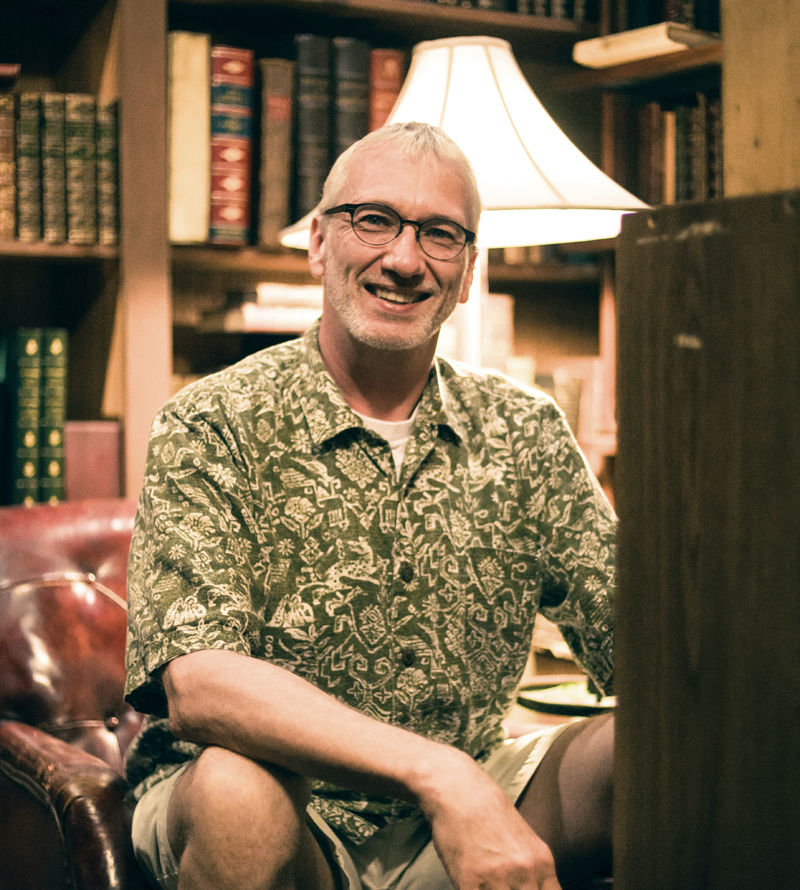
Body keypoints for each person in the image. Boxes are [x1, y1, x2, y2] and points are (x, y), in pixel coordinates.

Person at [123, 121, 616, 890]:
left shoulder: (526, 431)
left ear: (468, 271)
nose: (404, 258)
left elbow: (642, 643)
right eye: (374, 219)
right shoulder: (213, 419)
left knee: (653, 750)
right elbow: (199, 683)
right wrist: (438, 774)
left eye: (440, 235)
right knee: (239, 790)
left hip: (476, 803)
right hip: (271, 808)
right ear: (319, 242)